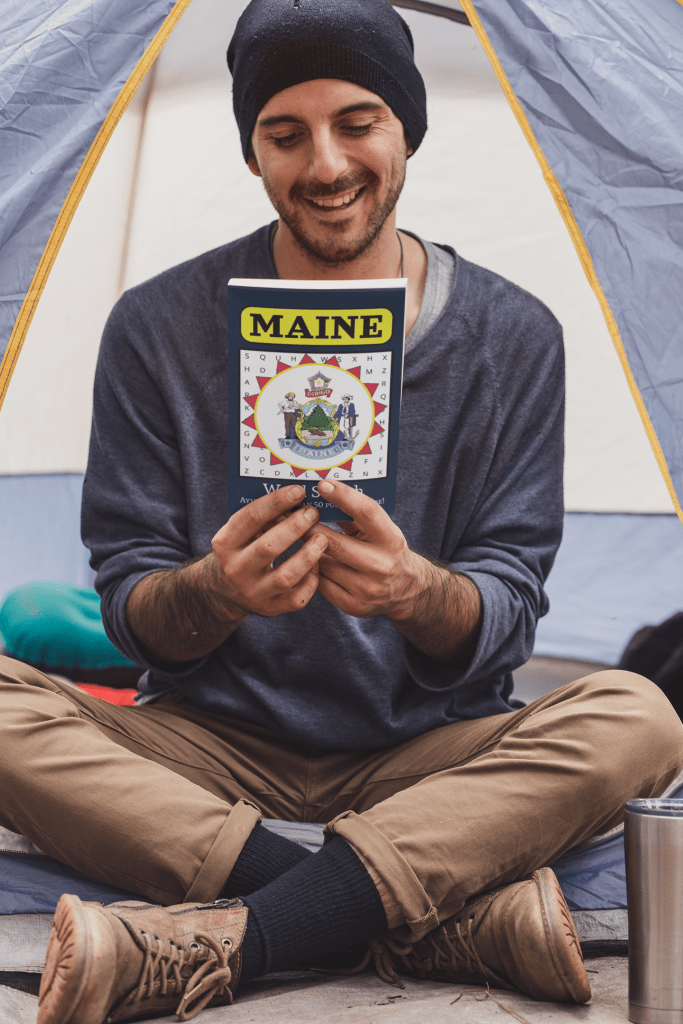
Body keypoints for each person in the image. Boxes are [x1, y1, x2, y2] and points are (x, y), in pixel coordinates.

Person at [1, 1, 681, 1022]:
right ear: (252, 152)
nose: (324, 164)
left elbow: (508, 596)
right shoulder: (156, 328)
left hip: (428, 752)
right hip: (211, 743)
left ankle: (259, 925)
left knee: (637, 714)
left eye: (357, 122)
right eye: (284, 133)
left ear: (405, 127)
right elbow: (131, 599)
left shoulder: (514, 335)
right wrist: (213, 593)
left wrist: (416, 594)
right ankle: (422, 916)